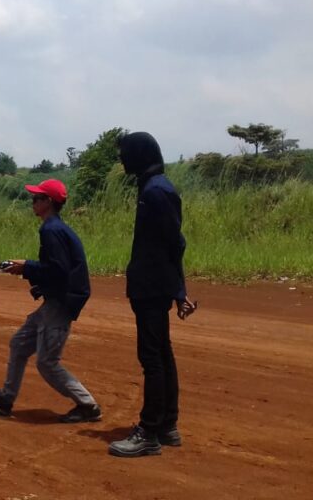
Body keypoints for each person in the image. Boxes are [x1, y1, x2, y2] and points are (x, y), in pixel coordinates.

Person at [0, 179, 101, 423]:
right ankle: (6, 399)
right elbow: (57, 268)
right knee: (20, 344)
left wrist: (26, 267)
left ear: (49, 202)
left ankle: (88, 406)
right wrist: (26, 267)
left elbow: (59, 270)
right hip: (55, 300)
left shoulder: (51, 230)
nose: (33, 203)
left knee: (46, 363)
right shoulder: (55, 228)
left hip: (61, 303)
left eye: (37, 199)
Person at [109, 132, 198, 458]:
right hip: (154, 283)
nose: (122, 160)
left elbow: (176, 242)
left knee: (153, 358)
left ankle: (149, 432)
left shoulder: (157, 191)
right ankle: (167, 425)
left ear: (140, 155)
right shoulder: (152, 187)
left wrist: (178, 288)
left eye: (126, 154)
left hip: (153, 286)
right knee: (162, 353)